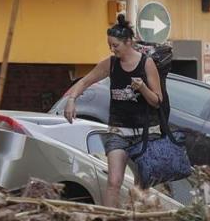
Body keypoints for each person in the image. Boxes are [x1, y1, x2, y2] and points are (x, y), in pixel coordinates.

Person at [63, 15, 164, 208]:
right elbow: (84, 81)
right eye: (110, 45)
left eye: (116, 45)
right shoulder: (110, 64)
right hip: (118, 131)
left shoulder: (146, 64)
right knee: (113, 181)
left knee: (142, 186)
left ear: (128, 42)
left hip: (146, 133)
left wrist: (142, 87)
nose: (112, 49)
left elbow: (157, 101)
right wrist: (71, 100)